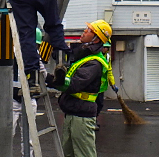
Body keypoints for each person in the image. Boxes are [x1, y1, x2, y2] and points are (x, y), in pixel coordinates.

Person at [46, 19, 112, 157]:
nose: (84, 31)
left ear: (95, 39)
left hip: (82, 115)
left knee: (84, 154)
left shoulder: (94, 63)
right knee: (68, 153)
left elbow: (74, 84)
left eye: (89, 30)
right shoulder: (84, 56)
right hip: (73, 112)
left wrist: (52, 80)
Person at [12, 28, 47, 157]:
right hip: (14, 99)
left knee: (29, 136)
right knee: (9, 133)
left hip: (30, 98)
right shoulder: (16, 51)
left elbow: (43, 72)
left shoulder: (35, 55)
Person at [94, 42, 118, 131]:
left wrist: (113, 84)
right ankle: (92, 121)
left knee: (100, 104)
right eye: (104, 47)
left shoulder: (107, 57)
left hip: (102, 86)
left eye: (107, 48)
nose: (105, 49)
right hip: (93, 85)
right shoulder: (95, 56)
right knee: (92, 104)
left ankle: (94, 118)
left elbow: (109, 71)